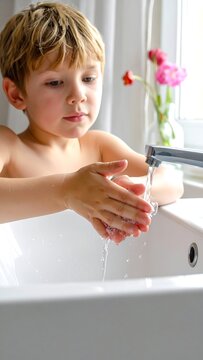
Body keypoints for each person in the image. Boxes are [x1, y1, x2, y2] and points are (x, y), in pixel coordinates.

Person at [0, 1, 183, 243]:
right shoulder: (10, 146)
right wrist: (67, 189)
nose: (78, 95)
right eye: (55, 82)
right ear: (16, 94)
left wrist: (128, 187)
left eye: (88, 78)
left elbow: (172, 181)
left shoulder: (99, 145)